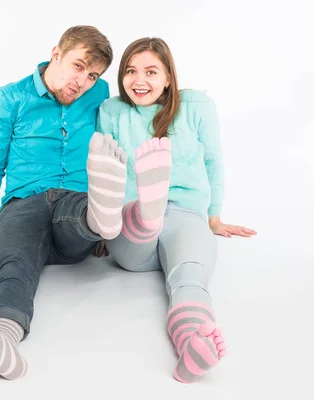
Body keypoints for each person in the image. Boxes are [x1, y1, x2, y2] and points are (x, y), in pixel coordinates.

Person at [0, 25, 130, 380]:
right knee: (15, 264)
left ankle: (102, 222)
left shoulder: (100, 94)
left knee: (78, 216)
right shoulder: (7, 100)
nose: (83, 81)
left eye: (93, 74)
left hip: (76, 202)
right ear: (56, 54)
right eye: (78, 66)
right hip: (23, 203)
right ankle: (4, 340)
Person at [95, 37, 257, 384]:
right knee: (138, 228)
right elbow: (102, 166)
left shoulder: (197, 106)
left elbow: (214, 161)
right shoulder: (112, 111)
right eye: (131, 71)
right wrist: (98, 230)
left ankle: (192, 346)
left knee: (189, 277)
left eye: (151, 72)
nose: (140, 81)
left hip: (185, 213)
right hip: (130, 226)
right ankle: (144, 213)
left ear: (169, 76)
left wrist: (213, 216)